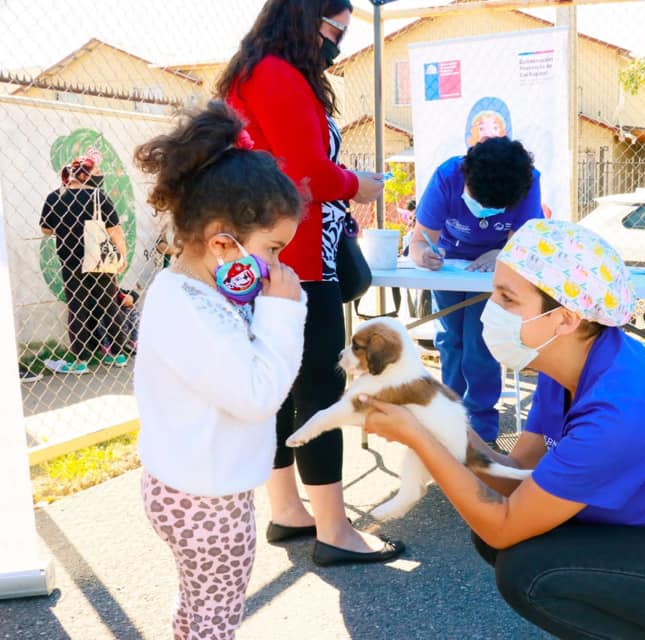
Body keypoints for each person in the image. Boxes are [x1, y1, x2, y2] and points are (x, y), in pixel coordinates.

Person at [362, 219, 645, 640]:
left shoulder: (622, 406)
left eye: (507, 298)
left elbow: (502, 522)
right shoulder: (570, 360)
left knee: (528, 571)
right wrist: (441, 420)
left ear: (565, 318)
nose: (490, 308)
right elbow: (515, 477)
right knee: (512, 545)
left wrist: (417, 437)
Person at [218, 0, 401, 565]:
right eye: (333, 28)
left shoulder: (250, 72)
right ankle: (334, 531)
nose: (337, 42)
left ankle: (289, 510)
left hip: (260, 256)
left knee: (278, 387)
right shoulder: (278, 74)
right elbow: (308, 173)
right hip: (296, 258)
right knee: (319, 388)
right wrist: (356, 184)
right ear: (304, 18)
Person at [133, 101, 307, 639]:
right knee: (218, 619)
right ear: (220, 241)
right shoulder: (188, 307)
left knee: (198, 608)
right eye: (272, 249)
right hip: (207, 500)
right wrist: (284, 310)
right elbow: (258, 394)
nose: (276, 264)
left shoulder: (197, 293)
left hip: (189, 485)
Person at [408, 136, 542, 445]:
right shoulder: (447, 176)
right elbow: (418, 241)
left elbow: (525, 242)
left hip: (495, 270)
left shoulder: (528, 181)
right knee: (450, 339)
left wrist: (501, 254)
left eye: (492, 208)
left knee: (480, 343)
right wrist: (424, 255)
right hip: (450, 268)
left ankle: (480, 427)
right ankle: (448, 416)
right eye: (476, 200)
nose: (481, 211)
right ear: (465, 176)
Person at [40, 155, 129, 375]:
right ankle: (118, 355)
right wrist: (123, 257)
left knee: (77, 308)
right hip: (99, 259)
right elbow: (115, 231)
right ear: (88, 174)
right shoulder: (99, 196)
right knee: (109, 305)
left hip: (71, 263)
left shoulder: (55, 197)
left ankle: (80, 360)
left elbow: (46, 229)